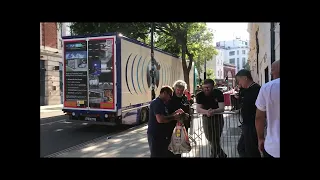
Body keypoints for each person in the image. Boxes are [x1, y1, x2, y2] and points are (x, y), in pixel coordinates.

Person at [147, 86, 186, 157]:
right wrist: (174, 117)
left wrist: (175, 113)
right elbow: (160, 119)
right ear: (164, 93)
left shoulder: (163, 103)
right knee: (156, 154)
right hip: (156, 135)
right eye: (169, 95)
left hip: (162, 135)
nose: (170, 98)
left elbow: (166, 116)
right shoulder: (157, 103)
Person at [196, 79, 227, 158]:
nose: (206, 89)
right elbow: (198, 109)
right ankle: (221, 154)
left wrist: (213, 111)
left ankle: (213, 155)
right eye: (204, 87)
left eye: (208, 87)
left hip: (218, 118)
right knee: (209, 137)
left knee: (216, 138)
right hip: (206, 118)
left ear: (213, 87)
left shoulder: (218, 93)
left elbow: (222, 108)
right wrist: (207, 112)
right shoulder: (200, 95)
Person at [255, 60, 280, 158]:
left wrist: (260, 138)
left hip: (274, 148)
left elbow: (259, 117)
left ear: (275, 71)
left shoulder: (267, 87)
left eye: (271, 72)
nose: (271, 74)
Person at [235, 69, 261, 157]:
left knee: (251, 150)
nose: (239, 83)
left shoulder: (256, 89)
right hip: (246, 124)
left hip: (252, 124)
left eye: (239, 80)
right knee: (241, 148)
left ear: (245, 78)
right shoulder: (246, 90)